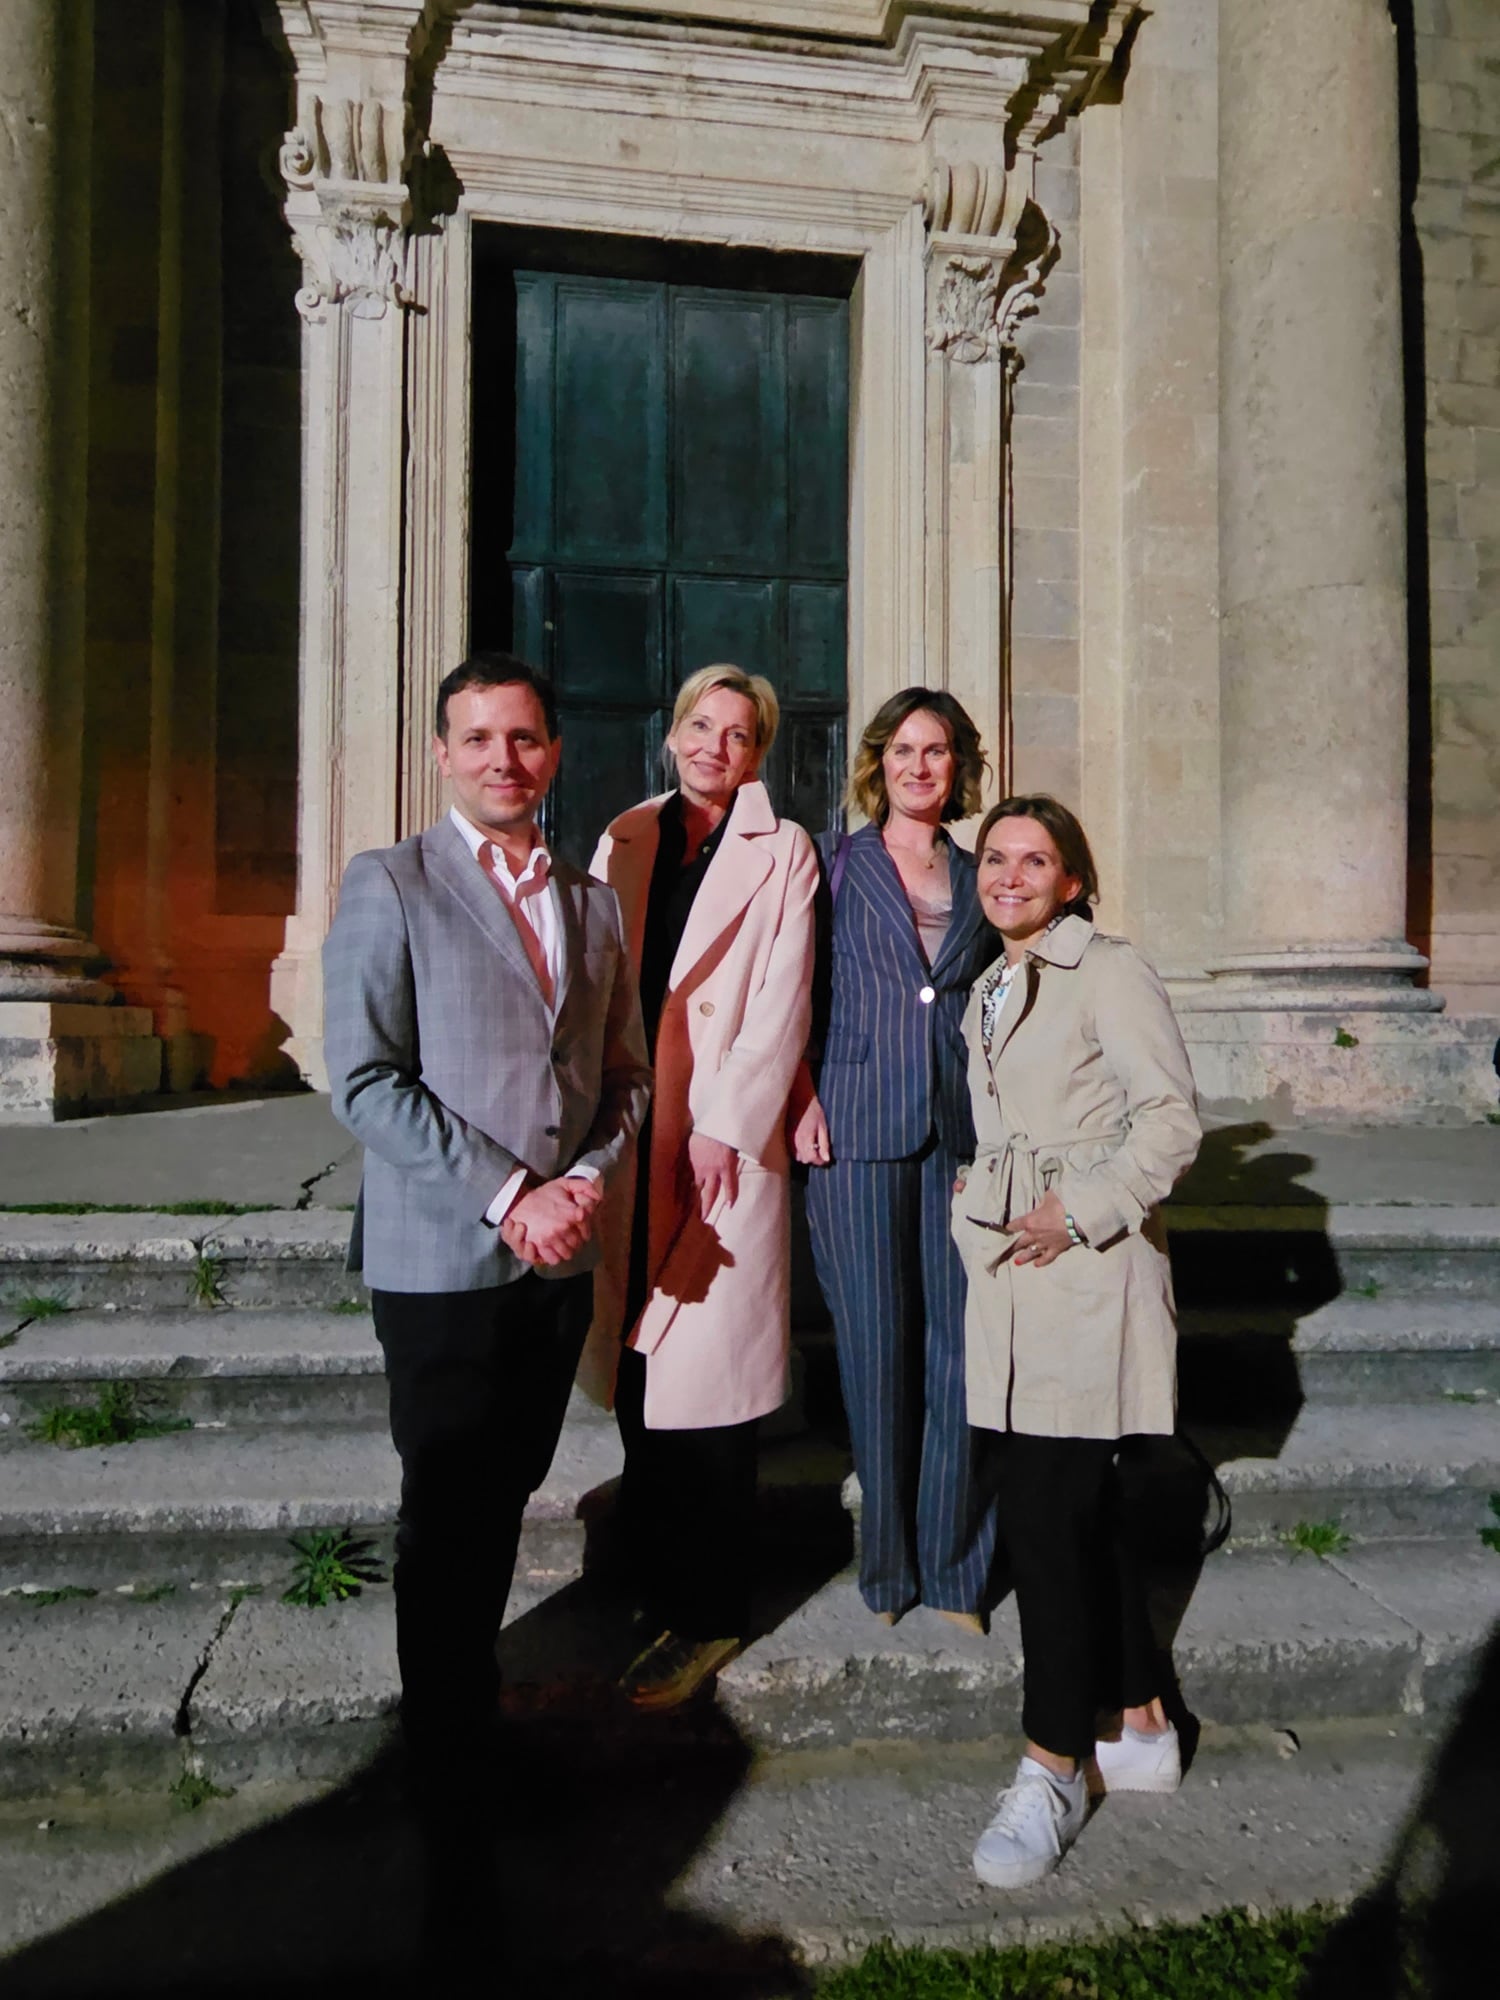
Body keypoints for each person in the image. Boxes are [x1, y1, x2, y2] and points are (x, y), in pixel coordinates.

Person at [322, 652, 651, 1801]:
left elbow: (623, 1076)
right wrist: (516, 1194)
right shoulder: (391, 882)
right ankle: (444, 1755)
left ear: (553, 752)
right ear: (442, 753)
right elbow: (364, 1080)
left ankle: (468, 1706)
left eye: (523, 737)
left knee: (505, 1490)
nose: (503, 758)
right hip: (444, 1256)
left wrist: (587, 1182)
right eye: (478, 737)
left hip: (557, 1261)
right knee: (447, 1506)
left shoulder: (592, 902)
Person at [951, 794, 1200, 1890]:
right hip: (1011, 1276)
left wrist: (1081, 1209)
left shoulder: (1110, 970)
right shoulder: (991, 981)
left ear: (1073, 878)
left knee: (1046, 1526)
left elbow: (1172, 1120)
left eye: (1034, 859)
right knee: (1073, 1515)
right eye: (994, 857)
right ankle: (1139, 1720)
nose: (1008, 874)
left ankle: (1051, 1766)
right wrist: (980, 1187)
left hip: (1088, 1274)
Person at [584, 664, 817, 1712]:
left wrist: (729, 1123)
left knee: (709, 1386)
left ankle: (712, 1606)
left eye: (738, 732)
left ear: (758, 751)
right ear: (672, 731)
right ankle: (653, 1571)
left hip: (716, 1129)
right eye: (699, 724)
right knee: (640, 1361)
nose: (715, 745)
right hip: (635, 1121)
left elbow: (781, 1000)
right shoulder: (626, 834)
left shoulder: (785, 848)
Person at [793, 689, 1001, 1628]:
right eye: (905, 750)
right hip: (853, 1128)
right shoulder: (832, 864)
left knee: (959, 1355)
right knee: (875, 1354)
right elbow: (792, 987)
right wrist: (798, 1093)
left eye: (938, 751)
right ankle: (888, 1571)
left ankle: (955, 1571)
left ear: (960, 766)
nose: (921, 767)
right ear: (879, 761)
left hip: (960, 1137)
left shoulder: (981, 873)